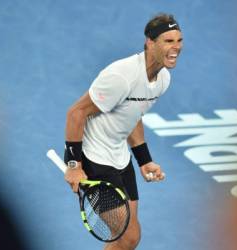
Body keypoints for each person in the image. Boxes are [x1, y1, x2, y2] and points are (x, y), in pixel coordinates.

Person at [64, 13, 183, 250]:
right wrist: (74, 166)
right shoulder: (121, 76)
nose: (176, 47)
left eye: (179, 40)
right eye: (168, 41)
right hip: (94, 157)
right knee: (128, 237)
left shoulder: (162, 80)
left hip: (120, 157)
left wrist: (144, 159)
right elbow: (76, 113)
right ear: (150, 42)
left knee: (127, 239)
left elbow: (132, 115)